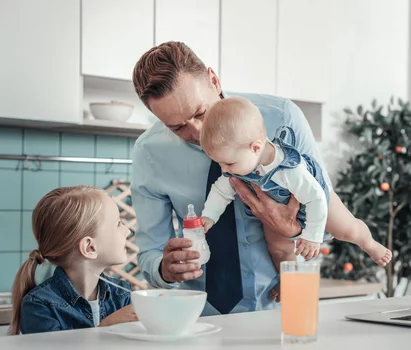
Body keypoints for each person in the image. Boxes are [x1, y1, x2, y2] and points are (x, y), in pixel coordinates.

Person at [131, 41, 331, 315]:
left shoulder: (282, 117)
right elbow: (149, 256)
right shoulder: (149, 152)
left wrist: (291, 231)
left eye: (200, 112)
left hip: (284, 307)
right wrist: (165, 269)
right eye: (177, 127)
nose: (198, 132)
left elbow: (328, 216)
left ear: (214, 80)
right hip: (200, 317)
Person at [199, 97, 392, 300]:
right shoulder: (239, 163)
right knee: (278, 248)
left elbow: (316, 199)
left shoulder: (290, 171)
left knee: (348, 230)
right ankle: (287, 278)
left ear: (255, 147)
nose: (224, 169)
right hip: (277, 206)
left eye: (228, 163)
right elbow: (220, 191)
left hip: (314, 199)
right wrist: (209, 216)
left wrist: (312, 236)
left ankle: (370, 243)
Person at [9, 186, 138, 335]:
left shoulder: (123, 294)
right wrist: (105, 327)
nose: (127, 231)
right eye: (118, 224)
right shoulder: (39, 305)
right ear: (89, 247)